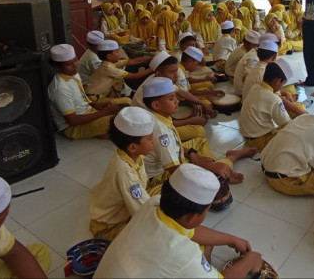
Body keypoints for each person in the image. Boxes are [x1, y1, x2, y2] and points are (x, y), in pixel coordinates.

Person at [95, 164, 266, 278]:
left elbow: (193, 232)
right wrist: (251, 260)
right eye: (207, 210)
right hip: (171, 262)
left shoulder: (153, 204)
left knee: (202, 245)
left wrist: (231, 239)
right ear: (193, 216)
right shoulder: (185, 257)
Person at [140, 77, 256, 195]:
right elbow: (176, 171)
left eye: (175, 97)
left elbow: (174, 144)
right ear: (156, 105)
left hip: (174, 158)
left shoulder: (160, 116)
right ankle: (230, 159)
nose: (177, 101)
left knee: (200, 142)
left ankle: (218, 166)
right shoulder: (160, 131)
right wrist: (204, 165)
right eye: (171, 99)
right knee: (204, 177)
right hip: (161, 176)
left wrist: (192, 153)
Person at [89, 107, 155, 240]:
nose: (154, 141)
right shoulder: (124, 171)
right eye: (150, 139)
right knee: (153, 237)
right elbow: (142, 211)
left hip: (126, 214)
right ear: (132, 147)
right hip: (110, 228)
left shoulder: (135, 156)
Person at [131, 51, 214, 140]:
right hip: (145, 130)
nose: (176, 75)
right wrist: (190, 121)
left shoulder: (160, 80)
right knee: (199, 131)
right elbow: (160, 123)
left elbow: (182, 92)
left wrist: (202, 104)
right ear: (159, 74)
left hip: (157, 121)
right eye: (172, 72)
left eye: (176, 71)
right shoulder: (151, 90)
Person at [48, 44, 120, 140]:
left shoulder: (74, 74)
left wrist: (98, 106)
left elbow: (83, 96)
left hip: (89, 111)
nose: (75, 65)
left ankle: (102, 131)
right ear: (58, 68)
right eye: (69, 64)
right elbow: (72, 121)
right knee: (115, 120)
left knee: (124, 102)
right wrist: (104, 112)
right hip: (73, 127)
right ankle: (104, 131)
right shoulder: (60, 88)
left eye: (76, 60)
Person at [239, 60, 307, 151]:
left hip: (249, 136)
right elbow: (287, 125)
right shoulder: (274, 99)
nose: (282, 86)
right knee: (299, 136)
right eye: (283, 84)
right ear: (277, 81)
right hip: (261, 141)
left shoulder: (256, 87)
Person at [84, 40, 153, 104]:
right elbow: (134, 76)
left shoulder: (110, 63)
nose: (120, 54)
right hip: (94, 98)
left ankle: (113, 97)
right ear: (109, 56)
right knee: (127, 101)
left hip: (99, 92)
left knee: (118, 82)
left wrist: (151, 58)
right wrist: (152, 68)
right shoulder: (108, 68)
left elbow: (133, 61)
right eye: (117, 52)